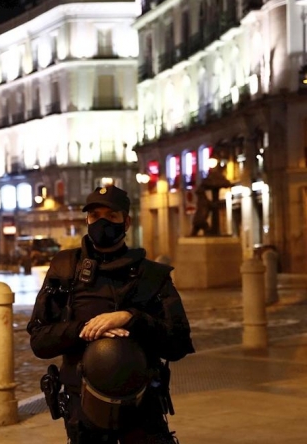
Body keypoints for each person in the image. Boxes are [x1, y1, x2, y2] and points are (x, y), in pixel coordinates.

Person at [26, 185, 195, 444]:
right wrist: (86, 328)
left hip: (142, 406)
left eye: (111, 215)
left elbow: (179, 342)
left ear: (126, 221)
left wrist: (131, 318)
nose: (101, 222)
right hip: (83, 408)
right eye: (95, 216)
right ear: (87, 220)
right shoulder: (64, 269)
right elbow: (39, 339)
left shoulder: (152, 275)